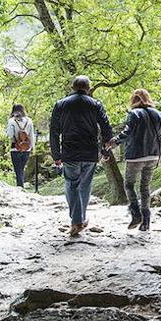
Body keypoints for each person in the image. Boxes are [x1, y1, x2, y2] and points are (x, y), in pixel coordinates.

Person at [50, 76, 113, 238]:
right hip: (89, 151)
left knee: (71, 184)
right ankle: (80, 219)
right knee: (85, 185)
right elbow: (106, 128)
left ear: (73, 87)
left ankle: (77, 220)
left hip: (70, 151)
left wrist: (56, 154)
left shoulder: (60, 104)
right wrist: (105, 151)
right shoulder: (95, 104)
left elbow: (54, 131)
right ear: (88, 88)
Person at [110, 89, 161, 232]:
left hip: (135, 156)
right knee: (145, 187)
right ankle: (146, 222)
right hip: (153, 155)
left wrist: (114, 142)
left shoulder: (134, 114)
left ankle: (136, 213)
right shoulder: (159, 114)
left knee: (129, 185)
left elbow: (127, 132)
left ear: (133, 100)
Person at [6, 104, 37, 188]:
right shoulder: (29, 121)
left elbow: (10, 135)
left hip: (15, 148)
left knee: (18, 170)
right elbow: (32, 135)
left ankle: (20, 187)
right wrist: (33, 148)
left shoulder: (12, 121)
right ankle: (21, 186)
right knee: (21, 169)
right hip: (26, 149)